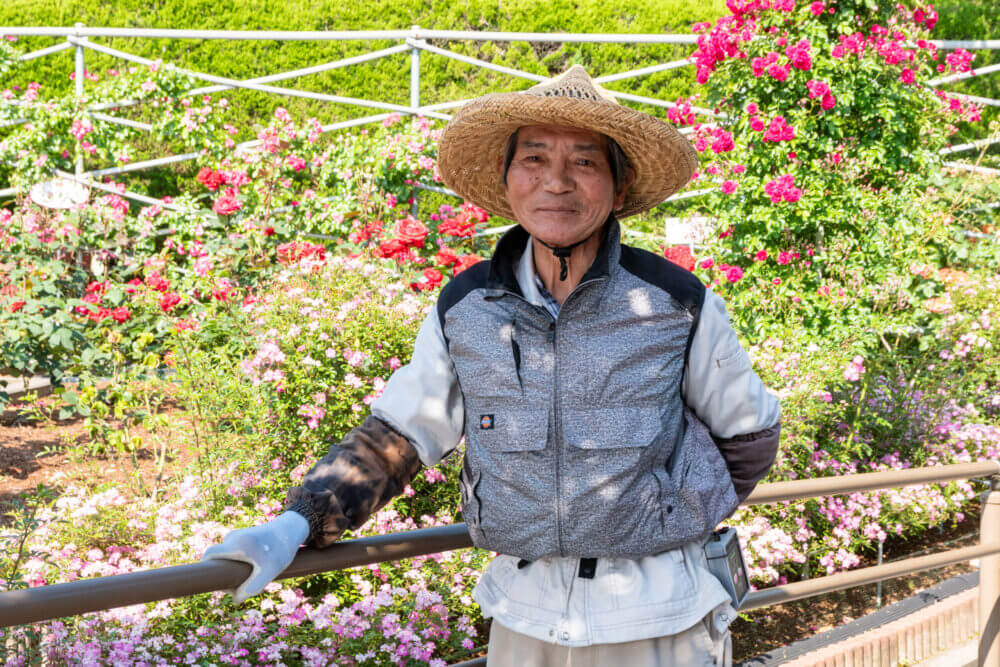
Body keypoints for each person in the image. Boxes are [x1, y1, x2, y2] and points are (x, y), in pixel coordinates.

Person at [203, 65, 781, 666]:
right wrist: (299, 522)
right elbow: (398, 436)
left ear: (618, 179)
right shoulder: (465, 308)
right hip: (524, 614)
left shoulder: (676, 302)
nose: (555, 182)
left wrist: (670, 515)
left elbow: (751, 434)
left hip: (661, 617)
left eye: (584, 161)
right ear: (508, 178)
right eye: (534, 159)